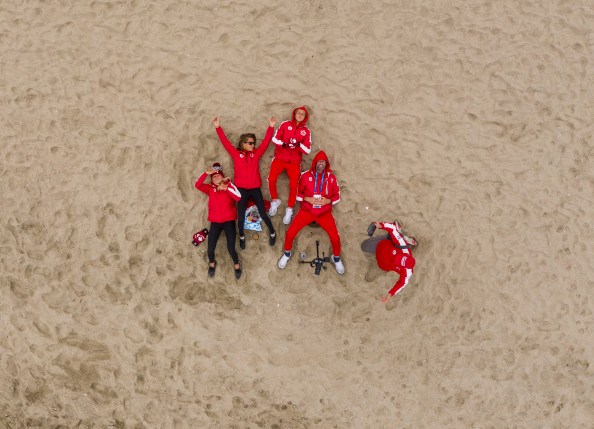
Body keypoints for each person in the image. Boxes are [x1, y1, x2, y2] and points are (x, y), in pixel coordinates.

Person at [212, 116, 277, 250]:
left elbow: (265, 142)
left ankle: (272, 232)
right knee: (240, 218)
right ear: (243, 143)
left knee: (263, 214)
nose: (253, 145)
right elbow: (225, 142)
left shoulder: (256, 154)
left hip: (255, 189)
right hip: (241, 190)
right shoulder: (236, 154)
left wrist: (271, 127)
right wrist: (218, 127)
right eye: (250, 143)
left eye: (253, 143)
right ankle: (241, 237)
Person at [277, 150, 345, 274]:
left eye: (323, 162)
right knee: (291, 233)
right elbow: (297, 193)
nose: (321, 164)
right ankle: (287, 254)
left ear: (326, 164)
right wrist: (308, 199)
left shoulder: (331, 177)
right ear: (315, 163)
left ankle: (336, 259)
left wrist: (327, 201)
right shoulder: (305, 175)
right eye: (319, 162)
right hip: (306, 211)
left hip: (324, 213)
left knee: (335, 238)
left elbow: (337, 196)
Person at [194, 162, 242, 279]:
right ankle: (212, 263)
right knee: (210, 249)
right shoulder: (210, 189)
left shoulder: (229, 185)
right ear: (212, 179)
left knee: (231, 249)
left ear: (222, 176)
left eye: (218, 175)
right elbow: (197, 185)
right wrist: (206, 173)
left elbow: (238, 197)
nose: (216, 177)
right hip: (215, 222)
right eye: (214, 176)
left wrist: (225, 188)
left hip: (229, 221)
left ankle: (236, 264)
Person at [267, 106, 312, 225]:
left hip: (294, 162)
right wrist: (284, 144)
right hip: (280, 158)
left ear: (305, 117)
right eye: (298, 113)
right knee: (271, 179)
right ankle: (275, 201)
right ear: (294, 114)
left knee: (293, 185)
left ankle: (290, 209)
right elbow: (275, 140)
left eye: (302, 114)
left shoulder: (306, 131)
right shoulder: (285, 124)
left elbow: (307, 150)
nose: (300, 115)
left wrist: (298, 144)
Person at [362, 221, 417, 302]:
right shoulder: (403, 248)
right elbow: (392, 229)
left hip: (383, 265)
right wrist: (381, 225)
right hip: (382, 245)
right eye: (398, 258)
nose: (395, 259)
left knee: (371, 275)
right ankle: (397, 237)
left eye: (397, 262)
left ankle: (406, 240)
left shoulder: (407, 272)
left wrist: (391, 294)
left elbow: (402, 283)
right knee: (364, 246)